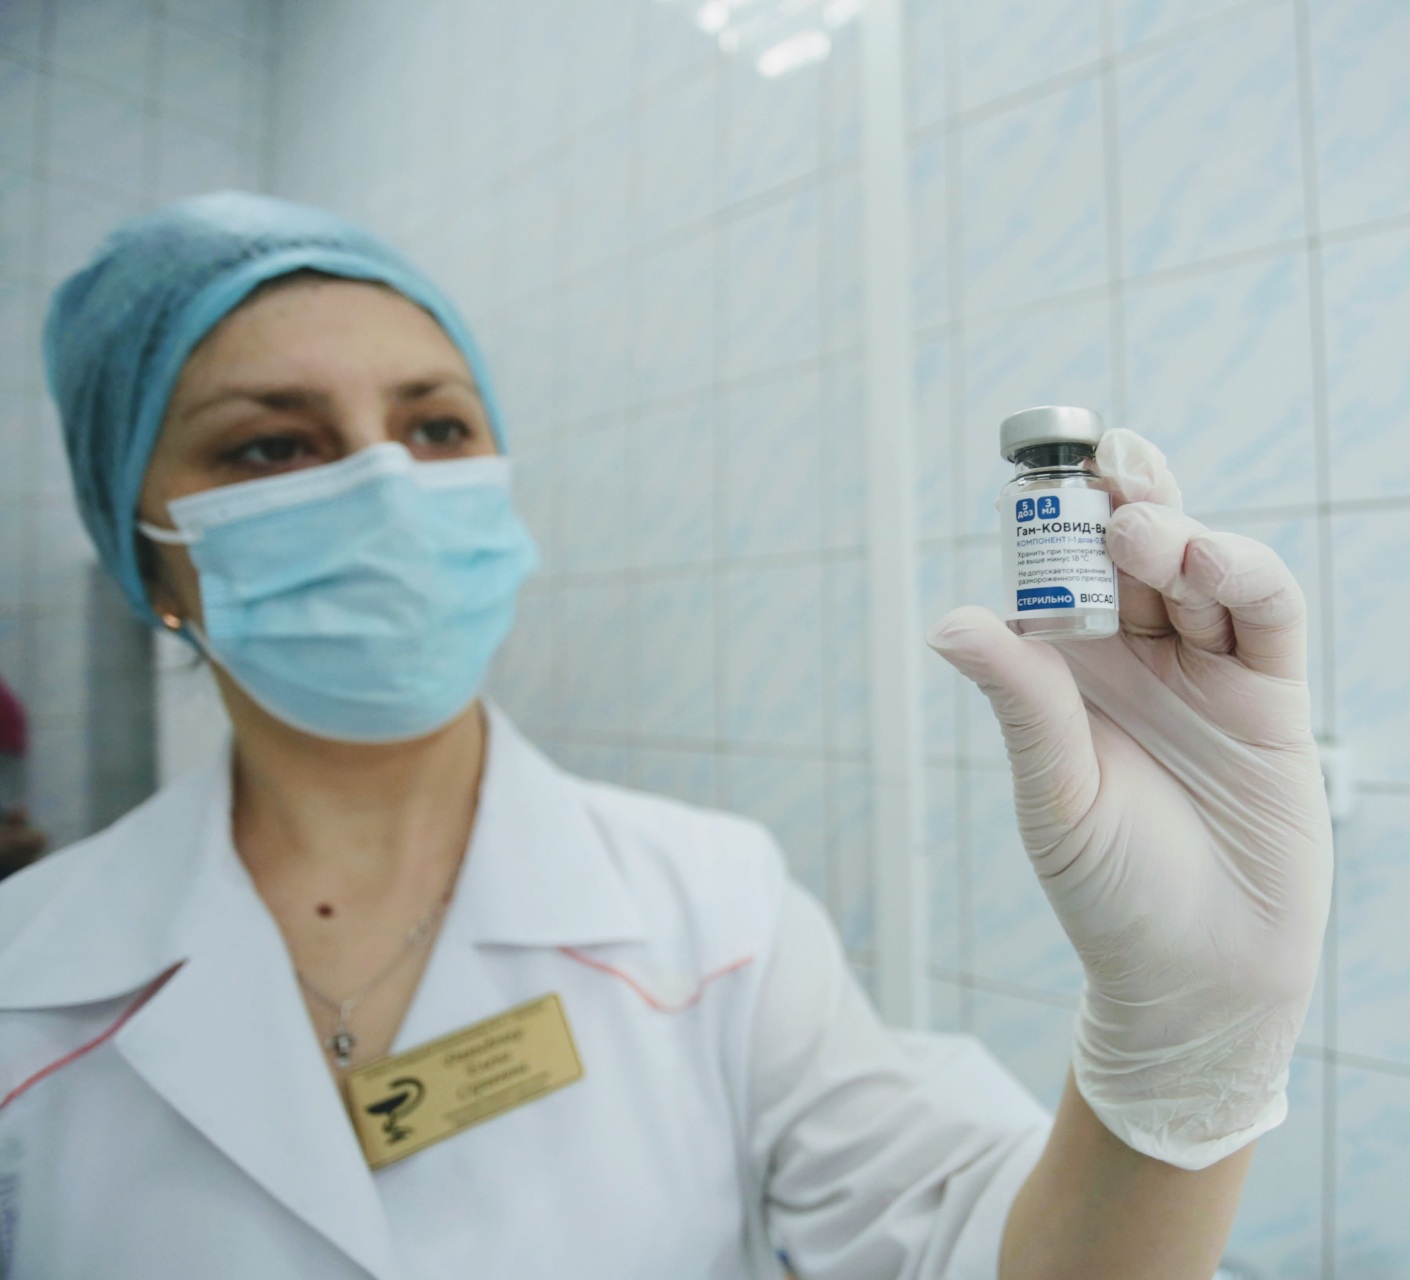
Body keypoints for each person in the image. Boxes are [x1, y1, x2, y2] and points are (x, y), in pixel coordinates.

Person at [0, 192, 1333, 1279]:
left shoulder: (713, 908)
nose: (388, 487)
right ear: (143, 553)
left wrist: (1184, 1056)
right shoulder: (25, 978)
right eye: (269, 448)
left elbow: (995, 1255)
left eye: (438, 426)